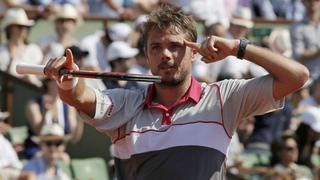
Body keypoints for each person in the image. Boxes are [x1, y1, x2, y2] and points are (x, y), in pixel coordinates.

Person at [42, 4, 309, 179]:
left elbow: (297, 77)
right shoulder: (127, 104)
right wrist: (68, 82)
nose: (166, 55)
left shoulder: (223, 97)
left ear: (194, 52)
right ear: (146, 55)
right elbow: (79, 97)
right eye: (155, 48)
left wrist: (237, 48)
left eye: (175, 46)